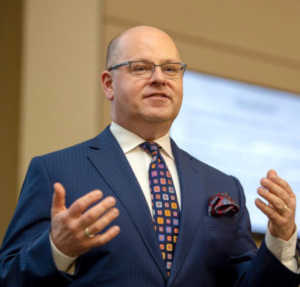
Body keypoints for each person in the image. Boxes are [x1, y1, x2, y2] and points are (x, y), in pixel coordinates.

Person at [0, 25, 299, 287]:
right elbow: (9, 276)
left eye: (171, 69)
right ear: (108, 84)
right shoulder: (55, 171)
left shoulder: (223, 187)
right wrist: (57, 250)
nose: (160, 78)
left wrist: (281, 239)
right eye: (141, 68)